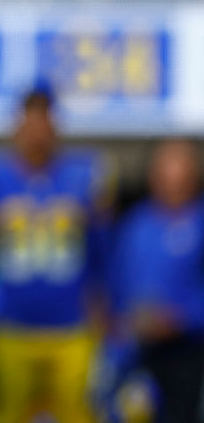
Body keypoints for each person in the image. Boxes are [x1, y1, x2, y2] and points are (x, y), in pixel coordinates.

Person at [0, 88, 114, 423]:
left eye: (44, 122)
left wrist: (103, 302)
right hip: (9, 322)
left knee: (78, 412)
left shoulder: (85, 173)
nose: (37, 132)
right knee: (9, 413)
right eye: (30, 122)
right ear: (16, 127)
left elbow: (102, 248)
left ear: (56, 127)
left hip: (72, 323)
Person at [110, 139, 204, 422]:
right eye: (164, 169)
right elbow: (117, 284)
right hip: (138, 352)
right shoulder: (135, 224)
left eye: (178, 168)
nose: (170, 178)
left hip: (189, 354)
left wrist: (182, 319)